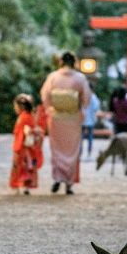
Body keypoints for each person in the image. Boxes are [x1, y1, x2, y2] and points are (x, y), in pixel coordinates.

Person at [40, 51, 92, 194]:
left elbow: (45, 95)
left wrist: (49, 108)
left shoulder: (53, 77)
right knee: (72, 149)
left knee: (56, 148)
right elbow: (86, 98)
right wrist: (80, 107)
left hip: (56, 116)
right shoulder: (80, 78)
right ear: (74, 62)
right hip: (73, 117)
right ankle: (69, 182)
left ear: (61, 62)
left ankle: (57, 178)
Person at [10, 94, 43, 194]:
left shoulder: (23, 117)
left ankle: (20, 185)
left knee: (21, 166)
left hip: (22, 146)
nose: (15, 108)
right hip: (29, 147)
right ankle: (24, 186)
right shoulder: (30, 116)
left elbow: (21, 131)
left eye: (15, 106)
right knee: (27, 167)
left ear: (21, 107)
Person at [82, 90, 100, 159]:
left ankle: (80, 153)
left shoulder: (83, 95)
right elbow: (96, 108)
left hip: (83, 120)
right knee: (90, 138)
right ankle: (89, 154)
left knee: (81, 137)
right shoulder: (94, 97)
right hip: (91, 120)